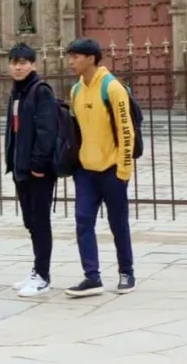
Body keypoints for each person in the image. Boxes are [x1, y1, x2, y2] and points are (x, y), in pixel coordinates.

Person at [64, 37, 136, 297]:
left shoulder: (112, 88)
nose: (70, 61)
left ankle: (126, 271)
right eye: (69, 56)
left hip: (112, 170)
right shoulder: (75, 91)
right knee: (83, 221)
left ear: (91, 58)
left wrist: (123, 170)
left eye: (75, 56)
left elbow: (126, 131)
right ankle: (91, 276)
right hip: (86, 171)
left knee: (118, 223)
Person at [4, 43, 58, 297]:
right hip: (20, 168)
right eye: (14, 62)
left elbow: (47, 131)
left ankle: (43, 275)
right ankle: (37, 269)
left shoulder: (40, 91)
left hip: (37, 171)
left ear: (33, 64)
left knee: (40, 221)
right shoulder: (17, 92)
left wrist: (38, 163)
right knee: (30, 221)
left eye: (23, 62)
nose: (18, 66)